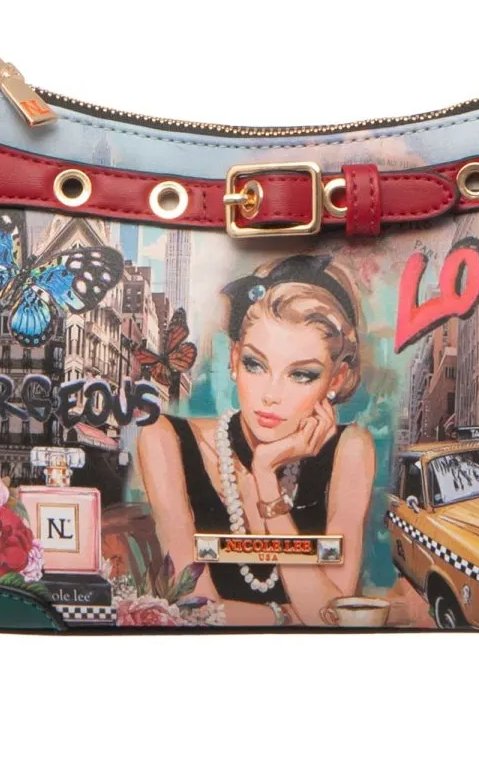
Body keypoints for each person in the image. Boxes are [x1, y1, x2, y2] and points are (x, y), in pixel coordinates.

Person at [136, 254, 376, 627]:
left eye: (301, 374)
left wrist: (266, 476)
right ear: (234, 359)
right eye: (255, 364)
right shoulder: (165, 439)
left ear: (337, 379)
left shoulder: (352, 448)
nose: (271, 395)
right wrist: (284, 616)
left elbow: (331, 617)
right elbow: (194, 609)